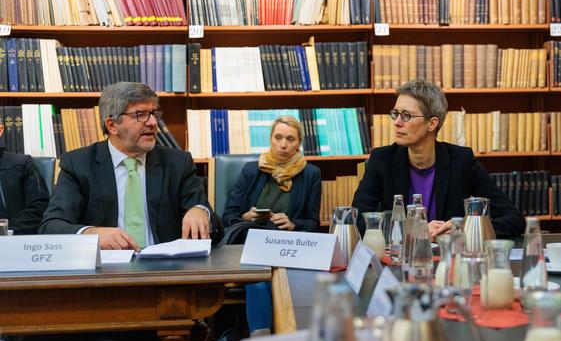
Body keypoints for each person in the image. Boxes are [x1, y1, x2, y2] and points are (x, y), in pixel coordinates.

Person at [40, 81, 217, 249]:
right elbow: (51, 226)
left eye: (154, 113)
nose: (153, 123)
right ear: (112, 125)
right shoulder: (79, 164)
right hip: (105, 273)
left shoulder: (177, 163)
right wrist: (91, 234)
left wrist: (201, 211)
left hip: (166, 270)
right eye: (140, 115)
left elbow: (217, 229)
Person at [352, 79, 525, 240]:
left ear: (432, 124)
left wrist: (464, 228)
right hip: (401, 262)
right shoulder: (382, 159)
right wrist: (413, 232)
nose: (397, 122)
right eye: (395, 114)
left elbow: (514, 219)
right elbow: (356, 221)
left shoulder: (461, 160)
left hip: (449, 261)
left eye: (406, 115)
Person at [222, 115, 322, 233]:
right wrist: (247, 217)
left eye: (290, 139)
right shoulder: (250, 170)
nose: (283, 145)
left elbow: (313, 224)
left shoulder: (311, 174)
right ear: (270, 139)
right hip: (249, 239)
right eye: (278, 138)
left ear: (299, 142)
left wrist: (293, 224)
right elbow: (228, 217)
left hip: (288, 242)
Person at [0, 122, 50, 235]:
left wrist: (6, 228)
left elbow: (39, 209)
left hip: (16, 241)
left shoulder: (23, 164)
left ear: (0, 130)